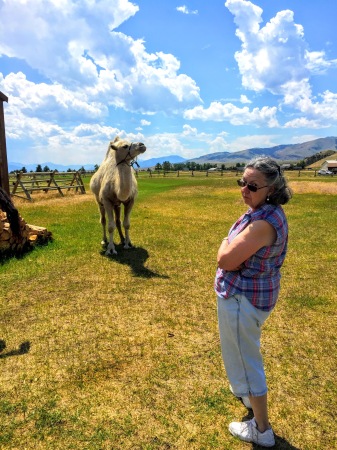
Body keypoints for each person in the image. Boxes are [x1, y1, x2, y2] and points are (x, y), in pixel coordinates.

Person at [215, 156, 292, 447]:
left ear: (271, 188)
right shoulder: (267, 211)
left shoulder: (262, 223)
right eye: (242, 182)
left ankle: (262, 429)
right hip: (252, 295)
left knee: (248, 360)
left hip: (242, 299)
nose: (244, 190)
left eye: (253, 186)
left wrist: (225, 243)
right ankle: (248, 396)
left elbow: (225, 258)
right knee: (242, 353)